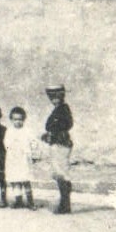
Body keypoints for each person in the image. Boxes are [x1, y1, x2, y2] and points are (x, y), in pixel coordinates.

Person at [42, 83, 74, 215]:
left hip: (61, 143)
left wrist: (54, 132)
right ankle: (64, 203)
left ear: (62, 96)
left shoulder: (63, 109)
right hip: (57, 143)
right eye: (52, 97)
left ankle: (65, 205)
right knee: (59, 172)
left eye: (57, 97)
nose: (54, 99)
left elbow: (67, 124)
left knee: (61, 173)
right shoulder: (58, 109)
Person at [5, 106, 35, 208]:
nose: (18, 122)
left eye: (20, 119)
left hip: (24, 158)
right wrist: (11, 150)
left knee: (25, 179)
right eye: (15, 119)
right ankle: (18, 201)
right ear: (11, 120)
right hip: (13, 158)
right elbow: (6, 143)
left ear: (24, 119)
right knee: (15, 180)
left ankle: (30, 202)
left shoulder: (27, 131)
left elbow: (33, 142)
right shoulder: (9, 131)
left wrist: (32, 152)